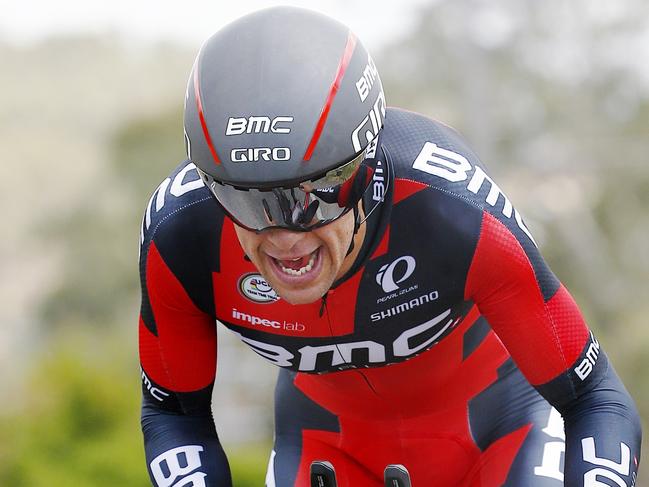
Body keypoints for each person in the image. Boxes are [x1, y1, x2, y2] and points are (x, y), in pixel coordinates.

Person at [137, 6, 642, 487]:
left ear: (363, 170)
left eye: (313, 195)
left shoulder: (452, 211)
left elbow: (595, 399)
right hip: (327, 448)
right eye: (246, 201)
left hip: (502, 437)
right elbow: (173, 413)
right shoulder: (181, 234)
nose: (284, 236)